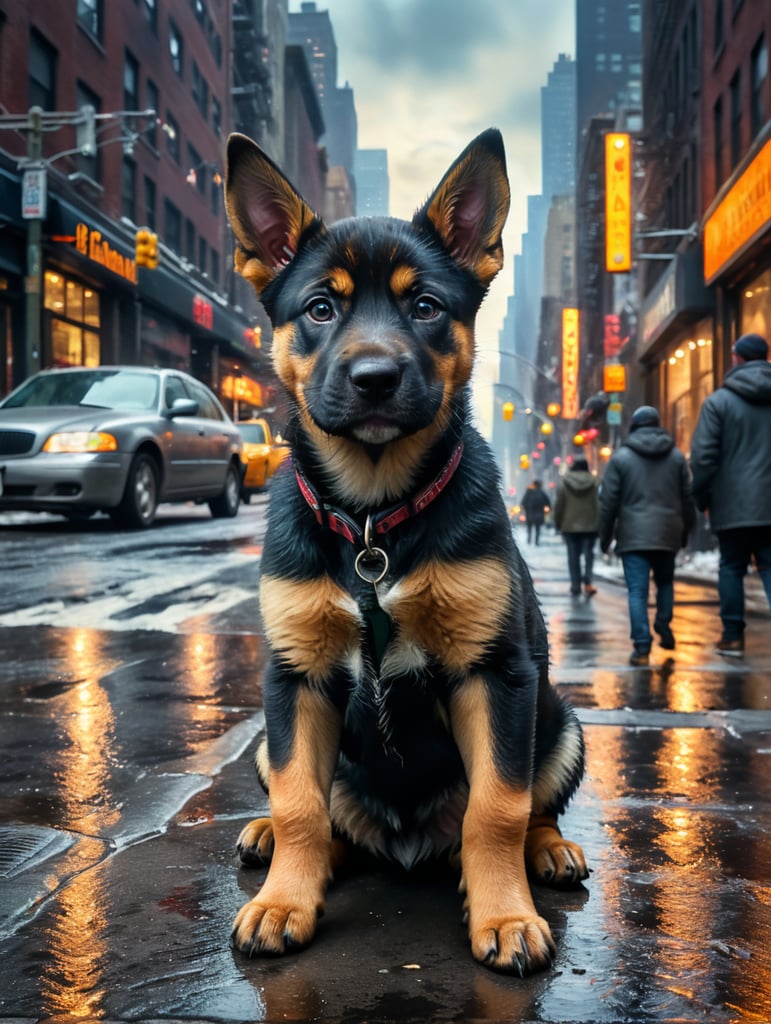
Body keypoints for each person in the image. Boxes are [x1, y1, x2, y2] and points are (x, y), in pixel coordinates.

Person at [690, 332, 771, 658]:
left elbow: (703, 458)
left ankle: (733, 636)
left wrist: (703, 498)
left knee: (732, 568)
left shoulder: (718, 403)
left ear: (737, 358)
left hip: (733, 505)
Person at [599, 406, 696, 666]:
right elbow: (687, 498)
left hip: (633, 536)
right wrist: (685, 529)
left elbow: (608, 503)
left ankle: (642, 647)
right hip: (667, 532)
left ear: (634, 425)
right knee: (665, 583)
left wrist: (605, 538)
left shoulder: (620, 459)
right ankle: (663, 625)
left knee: (637, 592)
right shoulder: (676, 458)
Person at [554, 457, 600, 597]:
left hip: (570, 526)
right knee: (589, 555)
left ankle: (575, 584)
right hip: (591, 525)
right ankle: (588, 581)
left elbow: (559, 505)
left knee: (573, 556)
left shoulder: (565, 485)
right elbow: (600, 504)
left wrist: (558, 523)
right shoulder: (595, 484)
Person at [520, 479, 551, 545]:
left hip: (529, 513)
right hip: (539, 513)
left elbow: (523, 502)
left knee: (529, 527)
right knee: (537, 528)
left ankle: (529, 539)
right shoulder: (541, 493)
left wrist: (526, 509)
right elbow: (548, 502)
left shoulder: (529, 492)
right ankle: (536, 541)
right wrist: (547, 510)